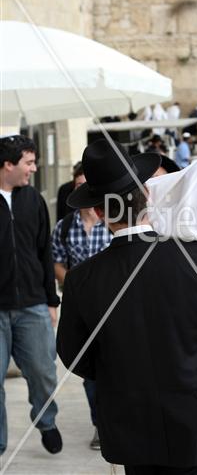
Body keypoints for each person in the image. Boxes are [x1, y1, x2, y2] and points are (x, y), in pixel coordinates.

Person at [57, 139, 197, 475]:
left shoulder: (80, 280)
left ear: (99, 211)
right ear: (147, 195)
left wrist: (121, 371)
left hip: (131, 420)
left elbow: (75, 354)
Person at [0, 134, 62, 456]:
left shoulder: (34, 200)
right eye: (28, 162)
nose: (34, 169)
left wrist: (51, 300)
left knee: (43, 372)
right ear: (7, 165)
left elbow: (44, 251)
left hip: (33, 305)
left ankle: (47, 421)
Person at [52, 163, 112, 450]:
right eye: (79, 185)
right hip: (83, 309)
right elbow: (57, 262)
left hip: (113, 304)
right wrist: (76, 288)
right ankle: (101, 424)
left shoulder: (113, 222)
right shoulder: (64, 227)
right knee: (90, 369)